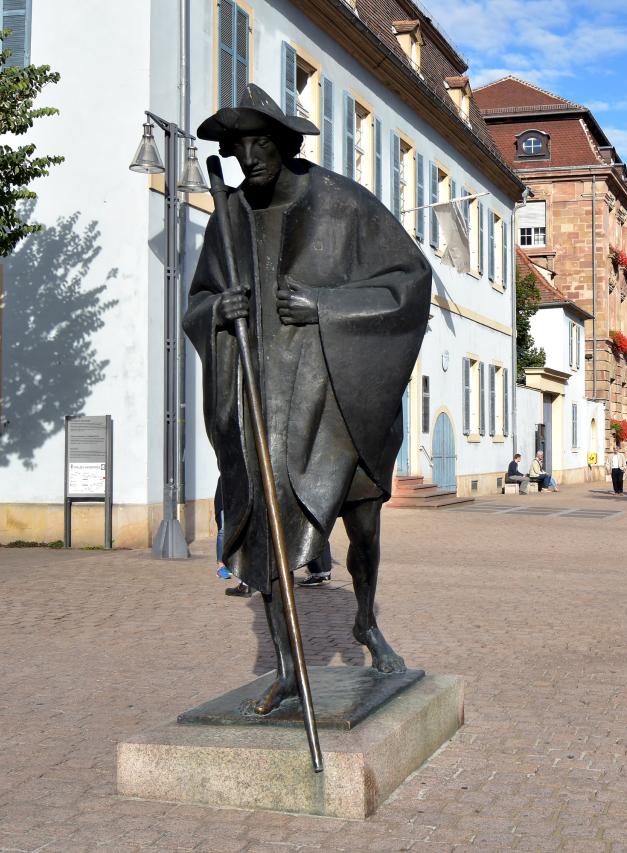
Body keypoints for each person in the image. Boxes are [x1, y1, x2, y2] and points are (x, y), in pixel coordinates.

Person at [185, 84, 429, 713]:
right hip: (265, 398)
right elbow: (198, 300)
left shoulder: (344, 205)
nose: (249, 160)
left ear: (286, 144)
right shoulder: (230, 214)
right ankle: (290, 666)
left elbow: (408, 283)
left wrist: (326, 306)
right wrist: (219, 309)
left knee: (363, 525)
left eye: (260, 145)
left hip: (338, 398)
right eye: (239, 150)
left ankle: (366, 620)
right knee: (261, 524)